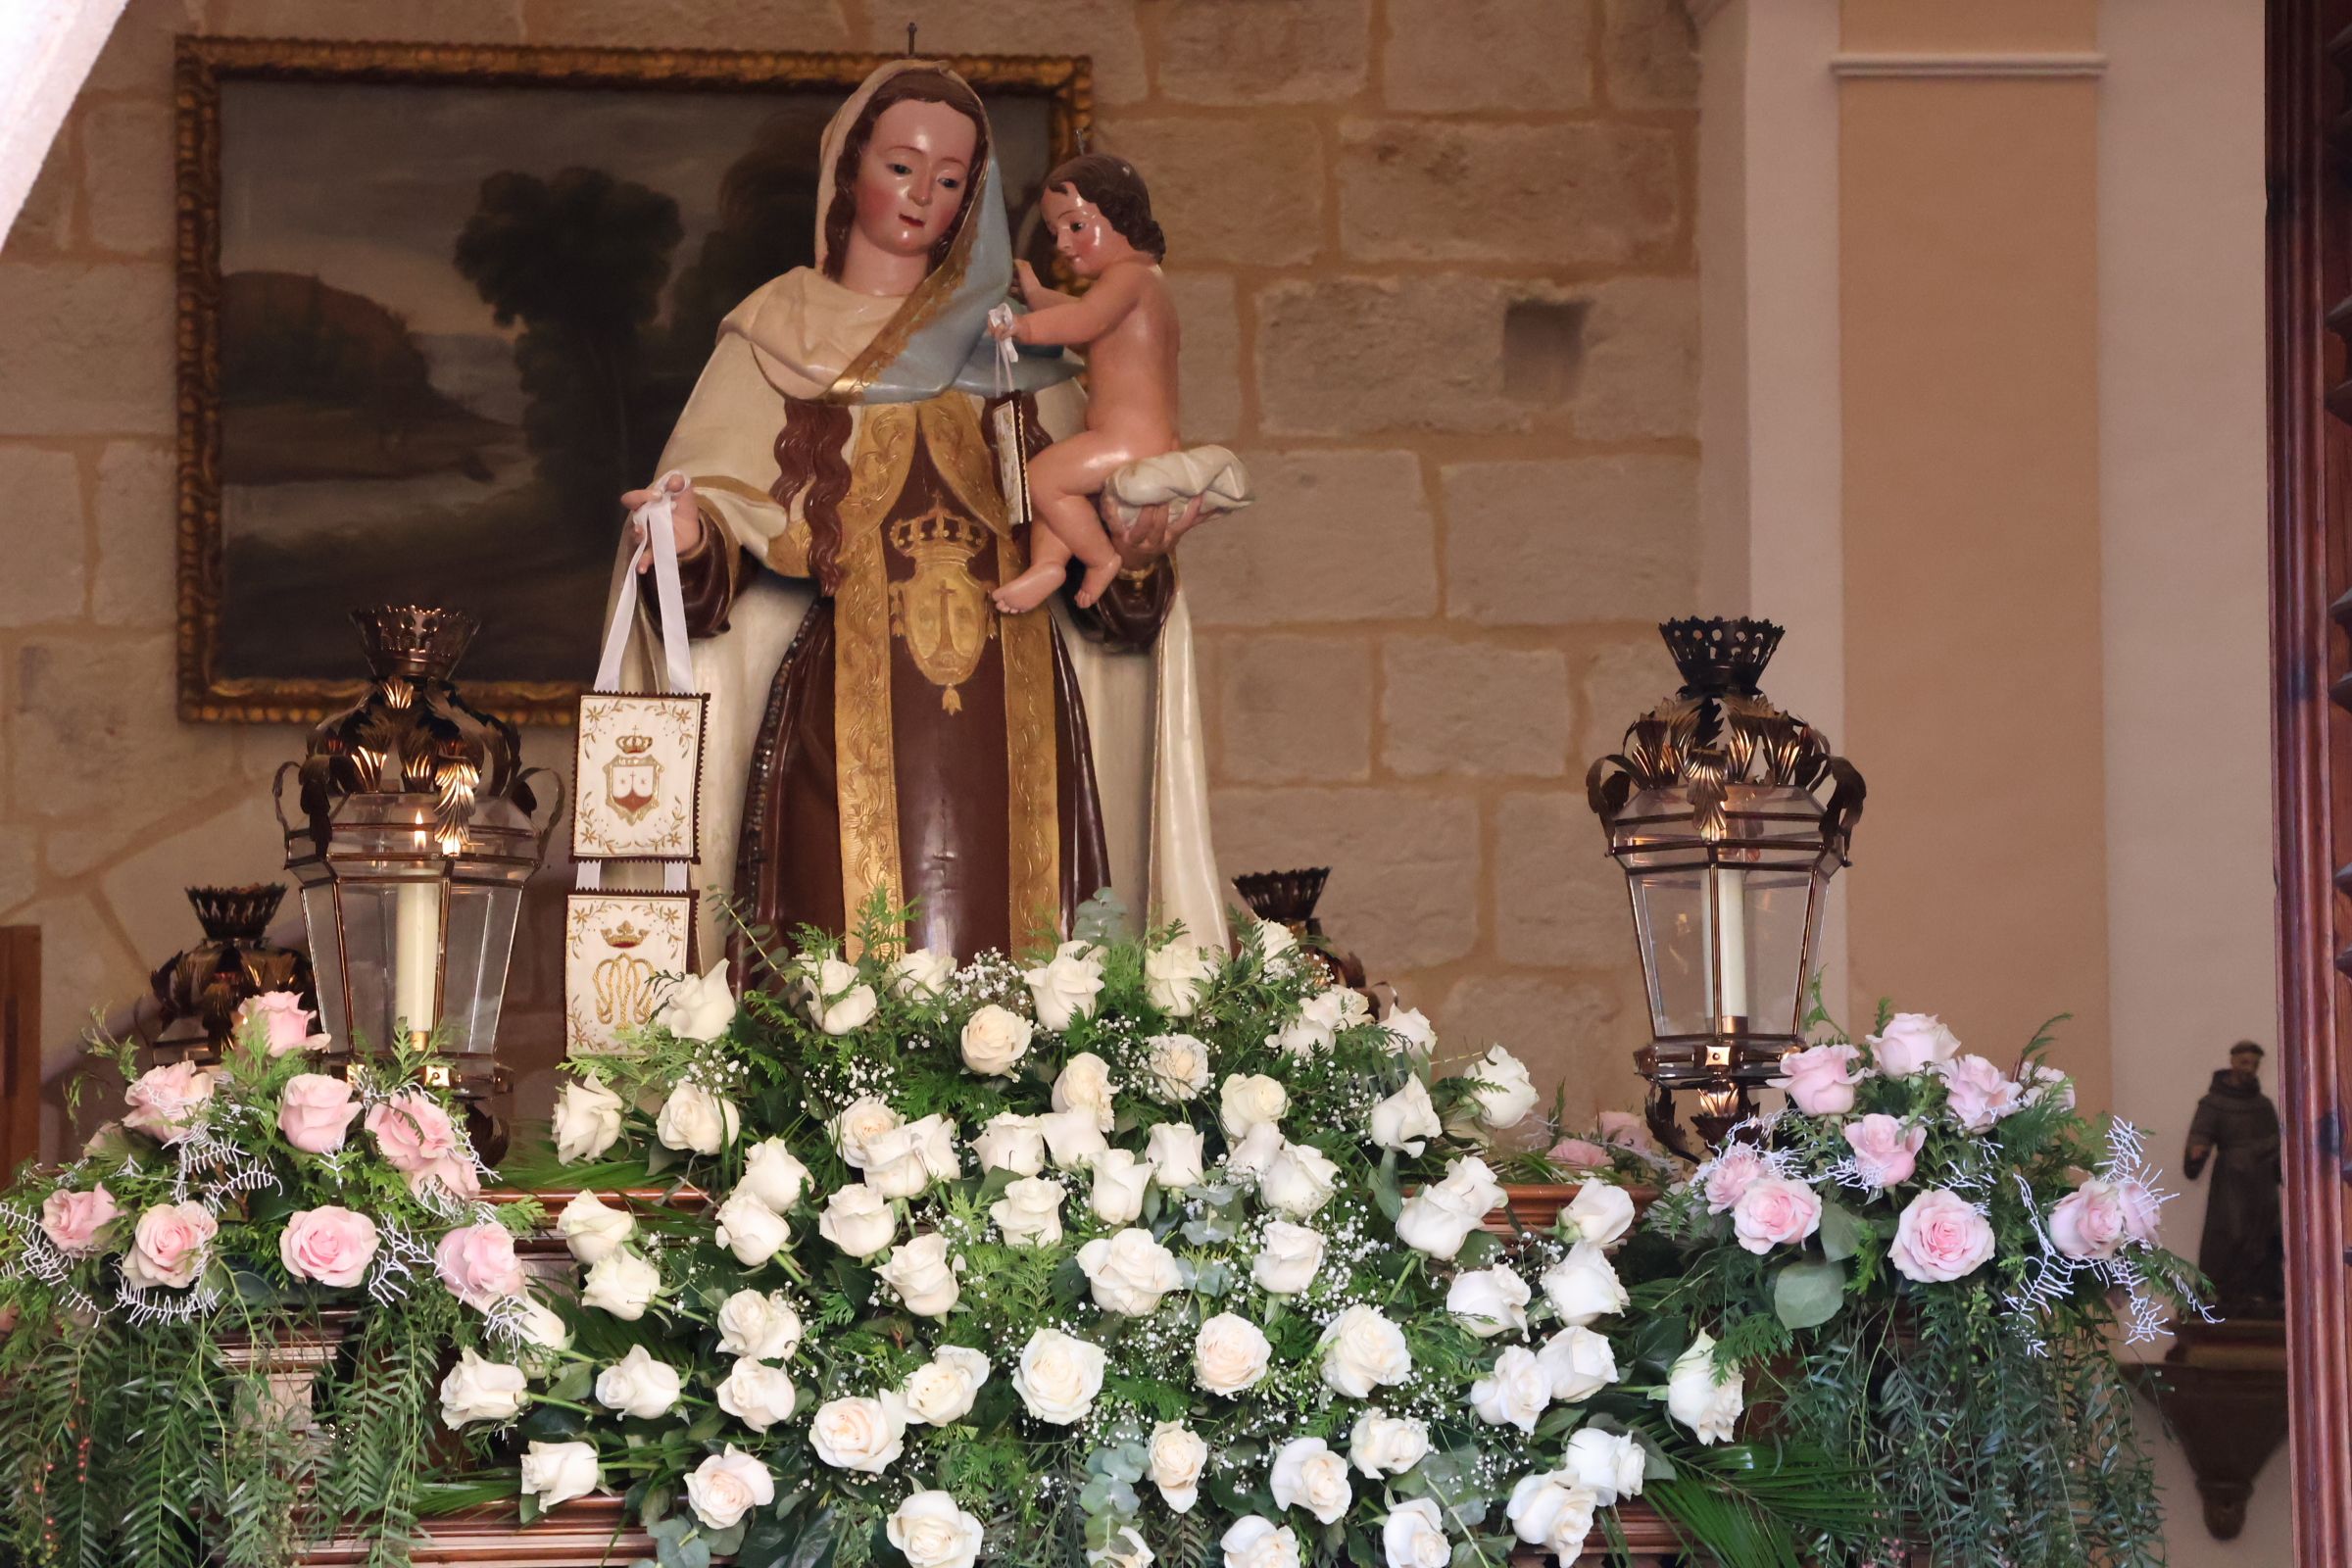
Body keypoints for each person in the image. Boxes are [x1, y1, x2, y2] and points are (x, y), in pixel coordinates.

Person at [608, 62, 1229, 964]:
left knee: (1030, 965)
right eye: (901, 166)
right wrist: (688, 535)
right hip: (844, 709)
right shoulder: (777, 332)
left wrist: (1137, 553)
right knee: (843, 963)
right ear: (849, 170)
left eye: (949, 180)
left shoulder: (1014, 345)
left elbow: (1113, 573)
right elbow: (715, 544)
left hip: (1015, 717)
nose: (921, 197)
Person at [985, 154, 1250, 614]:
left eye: (1076, 226)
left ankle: (1099, 558)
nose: (1063, 245)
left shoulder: (1128, 278)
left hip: (1129, 440)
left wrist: (1023, 329)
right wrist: (1033, 296)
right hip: (1131, 437)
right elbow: (1081, 314)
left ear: (1120, 215)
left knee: (1043, 480)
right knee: (1055, 487)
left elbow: (1082, 320)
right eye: (1055, 233)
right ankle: (1047, 567)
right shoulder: (1144, 285)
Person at [2181, 1040, 2285, 1314]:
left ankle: (2260, 1295)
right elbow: (2201, 1134)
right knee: (2231, 1233)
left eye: (2253, 1063)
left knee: (2267, 1237)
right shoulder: (2214, 1103)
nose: (2248, 1068)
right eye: (2243, 1062)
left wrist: (2278, 1161)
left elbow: (2278, 1141)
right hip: (2231, 1181)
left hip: (2261, 1182)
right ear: (2232, 1062)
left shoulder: (2263, 1106)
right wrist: (2197, 1151)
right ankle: (2219, 1291)